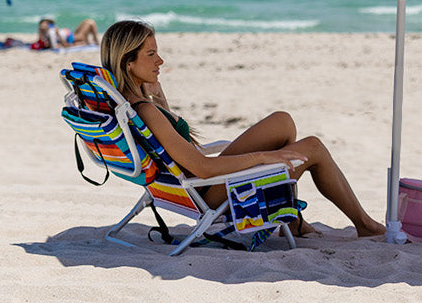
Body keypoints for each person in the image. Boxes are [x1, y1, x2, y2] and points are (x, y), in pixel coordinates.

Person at [100, 20, 386, 238]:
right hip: (205, 191)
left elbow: (176, 146)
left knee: (282, 121)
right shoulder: (145, 111)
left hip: (196, 184)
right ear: (128, 61)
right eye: (151, 54)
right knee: (313, 148)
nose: (160, 61)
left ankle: (294, 220)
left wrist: (158, 97)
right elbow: (201, 166)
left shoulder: (136, 104)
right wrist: (261, 158)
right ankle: (365, 225)